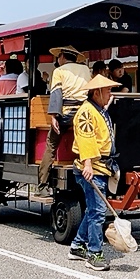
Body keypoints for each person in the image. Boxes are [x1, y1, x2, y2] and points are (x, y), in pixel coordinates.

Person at [67, 74, 121, 271]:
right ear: (97, 92)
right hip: (91, 168)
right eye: (107, 91)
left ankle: (77, 246)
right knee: (98, 212)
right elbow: (85, 139)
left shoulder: (97, 110)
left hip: (101, 166)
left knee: (93, 210)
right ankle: (94, 253)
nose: (110, 94)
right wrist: (87, 164)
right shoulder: (86, 113)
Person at [40, 46, 92, 193]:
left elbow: (56, 94)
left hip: (67, 114)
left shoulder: (59, 71)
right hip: (83, 113)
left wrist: (53, 116)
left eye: (58, 57)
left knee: (51, 145)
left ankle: (42, 185)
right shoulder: (86, 70)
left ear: (62, 56)